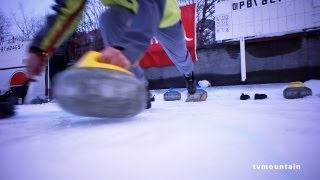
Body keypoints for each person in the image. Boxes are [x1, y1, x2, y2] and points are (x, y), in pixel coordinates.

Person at [1, 0, 197, 118]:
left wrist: (126, 49)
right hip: (125, 13)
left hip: (164, 15)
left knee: (179, 54)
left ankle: (189, 78)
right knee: (108, 18)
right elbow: (68, 11)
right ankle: (138, 86)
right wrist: (39, 48)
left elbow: (151, 4)